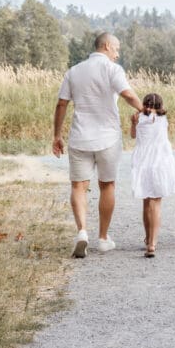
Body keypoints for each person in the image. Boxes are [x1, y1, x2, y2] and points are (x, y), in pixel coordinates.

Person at [52, 32, 142, 258]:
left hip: (80, 137)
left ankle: (82, 231)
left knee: (78, 186)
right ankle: (103, 238)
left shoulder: (74, 71)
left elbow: (62, 104)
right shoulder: (112, 70)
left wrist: (57, 135)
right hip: (108, 139)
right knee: (107, 186)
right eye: (117, 48)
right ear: (106, 46)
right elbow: (128, 95)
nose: (118, 53)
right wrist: (146, 110)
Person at [130, 92, 175, 258]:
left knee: (146, 202)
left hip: (143, 163)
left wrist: (133, 122)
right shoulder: (163, 119)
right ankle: (152, 243)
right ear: (160, 106)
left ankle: (147, 239)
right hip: (160, 163)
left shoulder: (139, 118)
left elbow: (133, 135)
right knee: (156, 203)